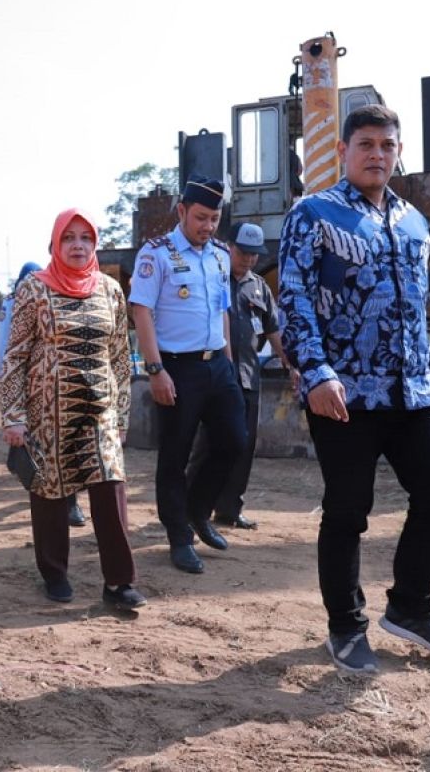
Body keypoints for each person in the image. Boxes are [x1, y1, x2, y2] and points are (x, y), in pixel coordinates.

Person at [278, 104, 430, 674]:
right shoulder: (314, 214)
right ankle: (346, 626)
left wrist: (424, 373)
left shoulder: (415, 222)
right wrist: (315, 373)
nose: (377, 154)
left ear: (398, 152)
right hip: (343, 395)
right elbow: (294, 299)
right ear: (343, 151)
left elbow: (414, 310)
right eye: (365, 144)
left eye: (387, 145)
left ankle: (411, 608)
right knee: (348, 511)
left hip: (413, 391)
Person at [1, 208, 144, 610]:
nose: (78, 245)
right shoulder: (34, 288)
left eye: (85, 238)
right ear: (56, 244)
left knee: (110, 486)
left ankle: (119, 583)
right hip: (48, 409)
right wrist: (14, 416)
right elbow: (16, 355)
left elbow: (119, 356)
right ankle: (55, 572)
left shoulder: (110, 291)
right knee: (50, 490)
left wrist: (121, 416)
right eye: (69, 238)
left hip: (99, 408)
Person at [128, 175, 245, 575]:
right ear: (181, 212)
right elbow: (141, 311)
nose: (208, 226)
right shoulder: (155, 254)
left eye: (214, 219)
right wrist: (155, 369)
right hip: (177, 367)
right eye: (200, 218)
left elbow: (222, 311)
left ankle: (198, 511)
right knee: (174, 454)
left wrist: (227, 359)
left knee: (234, 440)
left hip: (217, 365)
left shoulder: (219, 255)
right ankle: (179, 535)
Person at [186, 223, 296, 531]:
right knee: (208, 445)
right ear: (228, 246)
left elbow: (273, 329)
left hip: (248, 378)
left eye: (254, 254)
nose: (248, 259)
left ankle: (229, 508)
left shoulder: (259, 286)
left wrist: (291, 365)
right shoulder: (213, 278)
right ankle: (190, 507)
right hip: (216, 379)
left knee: (243, 446)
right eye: (242, 252)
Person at [0, 260, 85, 528]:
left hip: (59, 383)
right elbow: (5, 344)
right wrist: (10, 384)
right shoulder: (12, 304)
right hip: (23, 380)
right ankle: (30, 471)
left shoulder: (54, 295)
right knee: (35, 440)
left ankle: (71, 503)